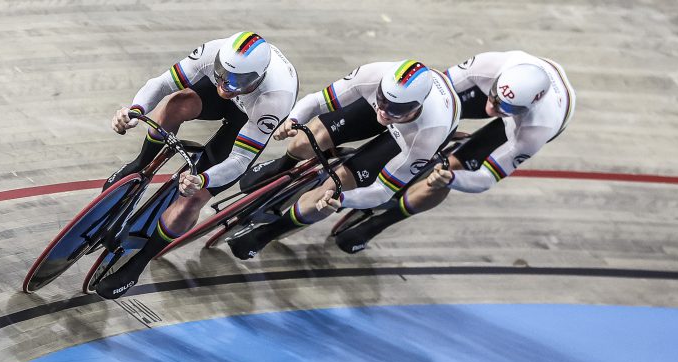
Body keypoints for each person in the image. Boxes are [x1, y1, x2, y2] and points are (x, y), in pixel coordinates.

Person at [96, 31, 298, 299]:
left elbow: (239, 160)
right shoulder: (215, 54)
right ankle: (140, 166)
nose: (226, 83)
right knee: (176, 103)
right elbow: (162, 84)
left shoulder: (275, 99)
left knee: (192, 200)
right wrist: (135, 110)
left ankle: (138, 263)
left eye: (236, 79)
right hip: (234, 98)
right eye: (222, 73)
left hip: (248, 116)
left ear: (257, 77)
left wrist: (202, 181)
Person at [332, 50, 576, 253]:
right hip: (496, 88)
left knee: (452, 168)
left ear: (527, 106)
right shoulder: (487, 66)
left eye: (506, 107)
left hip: (532, 121)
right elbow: (437, 96)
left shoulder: (537, 129)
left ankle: (379, 223)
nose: (492, 110)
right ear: (497, 81)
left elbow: (486, 179)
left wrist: (453, 178)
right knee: (423, 120)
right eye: (494, 98)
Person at [226, 59, 461, 260]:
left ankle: (266, 234)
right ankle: (284, 165)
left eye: (395, 109)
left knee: (332, 190)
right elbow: (316, 101)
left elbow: (382, 190)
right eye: (382, 100)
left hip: (410, 135)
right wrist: (293, 120)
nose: (384, 112)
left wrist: (343, 198)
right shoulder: (372, 76)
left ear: (415, 107)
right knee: (307, 139)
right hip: (392, 108)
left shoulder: (427, 136)